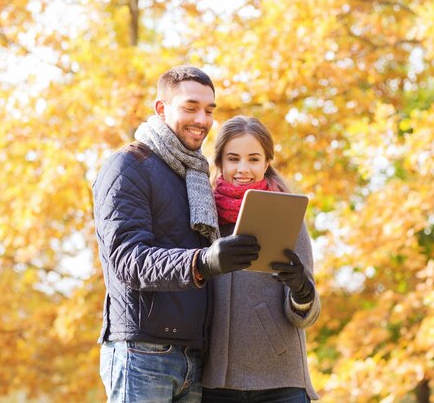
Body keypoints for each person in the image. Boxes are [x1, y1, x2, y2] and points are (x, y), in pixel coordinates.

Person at [92, 66, 260, 402]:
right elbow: (128, 261)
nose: (202, 119)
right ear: (161, 108)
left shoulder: (196, 176)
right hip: (142, 353)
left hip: (194, 358)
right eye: (190, 107)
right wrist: (204, 261)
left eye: (209, 110)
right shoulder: (128, 166)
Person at [202, 115, 321, 402]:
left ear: (266, 163)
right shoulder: (203, 216)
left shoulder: (287, 214)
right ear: (219, 163)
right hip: (216, 382)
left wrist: (301, 288)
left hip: (279, 378)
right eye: (233, 159)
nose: (243, 169)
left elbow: (308, 313)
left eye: (253, 159)